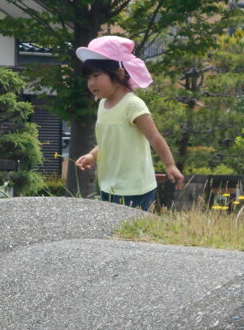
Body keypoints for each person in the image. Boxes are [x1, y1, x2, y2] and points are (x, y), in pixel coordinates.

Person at [74, 36, 185, 210]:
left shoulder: (132, 105)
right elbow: (109, 140)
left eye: (97, 75)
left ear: (119, 74)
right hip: (108, 185)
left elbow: (155, 137)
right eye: (88, 78)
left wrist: (170, 165)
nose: (92, 83)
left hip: (135, 188)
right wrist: (92, 155)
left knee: (127, 234)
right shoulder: (103, 104)